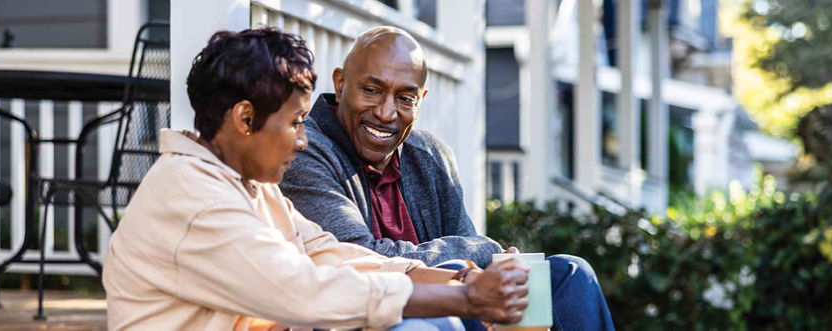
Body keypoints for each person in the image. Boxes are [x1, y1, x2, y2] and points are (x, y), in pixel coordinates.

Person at [102, 27, 531, 331]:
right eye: (296, 122)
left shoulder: (251, 187)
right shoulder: (191, 194)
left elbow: (330, 255)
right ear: (246, 119)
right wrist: (465, 299)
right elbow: (305, 290)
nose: (305, 140)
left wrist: (456, 279)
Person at [279, 26, 616, 330]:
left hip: (451, 307)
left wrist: (491, 273)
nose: (385, 112)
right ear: (340, 84)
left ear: (421, 101)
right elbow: (358, 256)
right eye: (371, 90)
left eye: (405, 98)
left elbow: (471, 253)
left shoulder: (429, 155)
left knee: (571, 275)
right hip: (368, 317)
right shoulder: (303, 147)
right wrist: (481, 255)